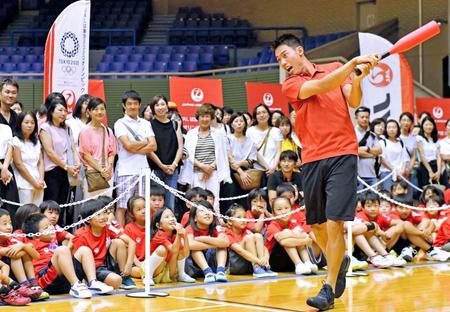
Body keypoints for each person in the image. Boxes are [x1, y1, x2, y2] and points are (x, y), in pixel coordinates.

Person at [274, 33, 379, 309]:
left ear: (300, 51)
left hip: (343, 152)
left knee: (335, 223)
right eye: (278, 60)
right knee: (316, 226)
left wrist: (357, 78)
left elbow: (353, 101)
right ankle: (340, 259)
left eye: (285, 55)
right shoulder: (292, 84)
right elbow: (321, 86)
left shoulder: (335, 67)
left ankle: (328, 289)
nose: (282, 62)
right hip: (310, 158)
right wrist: (353, 64)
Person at [23, 213, 113, 298]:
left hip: (65, 280)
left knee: (84, 250)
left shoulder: (52, 239)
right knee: (62, 249)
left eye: (50, 225)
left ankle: (92, 282)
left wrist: (68, 249)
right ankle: (75, 285)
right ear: (35, 235)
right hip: (46, 283)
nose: (51, 228)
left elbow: (71, 238)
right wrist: (21, 246)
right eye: (46, 227)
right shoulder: (32, 242)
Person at [113, 90, 157, 227]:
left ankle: (141, 236)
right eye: (129, 104)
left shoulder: (146, 123)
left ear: (140, 105)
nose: (132, 106)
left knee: (142, 207)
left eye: (135, 103)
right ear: (124, 105)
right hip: (125, 171)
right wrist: (145, 142)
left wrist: (135, 146)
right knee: (122, 206)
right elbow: (128, 146)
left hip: (143, 171)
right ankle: (120, 236)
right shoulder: (119, 123)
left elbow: (154, 146)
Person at [72, 200, 137, 289]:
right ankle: (92, 282)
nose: (103, 217)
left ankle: (124, 276)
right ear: (88, 220)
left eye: (105, 213)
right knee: (116, 281)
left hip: (105, 264)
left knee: (119, 242)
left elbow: (131, 242)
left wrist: (129, 265)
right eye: (98, 214)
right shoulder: (80, 235)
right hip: (91, 269)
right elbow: (78, 261)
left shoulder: (108, 227)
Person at [180, 104, 231, 213]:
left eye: (207, 116)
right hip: (196, 173)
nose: (205, 119)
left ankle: (215, 224)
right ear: (198, 118)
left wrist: (210, 168)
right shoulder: (191, 133)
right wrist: (202, 167)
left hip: (213, 172)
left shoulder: (218, 134)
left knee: (214, 201)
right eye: (202, 116)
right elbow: (187, 154)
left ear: (211, 118)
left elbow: (221, 154)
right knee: (197, 201)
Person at [39, 99, 80, 205]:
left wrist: (77, 163)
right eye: (60, 110)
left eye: (65, 111)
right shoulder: (45, 128)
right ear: (51, 112)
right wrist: (66, 167)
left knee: (63, 204)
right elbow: (50, 152)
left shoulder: (67, 128)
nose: (63, 113)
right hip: (52, 172)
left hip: (67, 170)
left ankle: (60, 222)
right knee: (52, 203)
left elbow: (72, 148)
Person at [148, 95, 183, 210]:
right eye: (157, 105)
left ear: (167, 107)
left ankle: (168, 227)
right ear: (153, 108)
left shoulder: (175, 124)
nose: (160, 107)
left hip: (172, 170)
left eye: (162, 104)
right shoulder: (149, 125)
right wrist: (162, 166)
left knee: (170, 203)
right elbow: (149, 150)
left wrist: (174, 165)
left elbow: (180, 147)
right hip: (156, 169)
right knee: (155, 204)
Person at [265, 197, 316, 274]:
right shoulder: (272, 226)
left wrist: (301, 238)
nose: (283, 212)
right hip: (275, 262)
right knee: (287, 233)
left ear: (291, 210)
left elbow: (306, 236)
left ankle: (307, 263)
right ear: (273, 212)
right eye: (279, 209)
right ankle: (298, 264)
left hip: (290, 262)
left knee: (291, 234)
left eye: (286, 208)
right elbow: (283, 242)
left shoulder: (293, 222)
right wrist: (304, 240)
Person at [78, 97, 117, 199]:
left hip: (108, 175)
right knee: (92, 207)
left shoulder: (108, 131)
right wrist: (101, 170)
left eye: (102, 109)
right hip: (93, 175)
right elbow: (86, 155)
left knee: (107, 206)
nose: (99, 112)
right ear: (89, 112)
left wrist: (109, 166)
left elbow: (112, 152)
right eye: (95, 109)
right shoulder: (85, 131)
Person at [224, 203, 276, 277]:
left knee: (258, 235)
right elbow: (240, 251)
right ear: (230, 221)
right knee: (249, 238)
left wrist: (265, 259)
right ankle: (257, 267)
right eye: (239, 217)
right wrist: (258, 261)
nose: (243, 220)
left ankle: (262, 267)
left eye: (245, 217)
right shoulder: (228, 234)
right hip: (236, 266)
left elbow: (264, 248)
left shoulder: (247, 231)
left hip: (250, 264)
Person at [147, 207, 195, 285]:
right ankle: (148, 276)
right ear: (159, 225)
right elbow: (173, 249)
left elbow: (185, 254)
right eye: (167, 217)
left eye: (173, 216)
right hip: (155, 269)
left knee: (180, 251)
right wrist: (179, 235)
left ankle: (181, 274)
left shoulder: (174, 235)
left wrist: (185, 236)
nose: (172, 219)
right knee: (162, 249)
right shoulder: (159, 234)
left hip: (167, 269)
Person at [185, 200, 229, 283]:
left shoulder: (216, 228)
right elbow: (190, 244)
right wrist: (214, 244)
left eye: (209, 210)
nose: (207, 213)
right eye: (202, 211)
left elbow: (226, 242)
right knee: (196, 249)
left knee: (222, 247)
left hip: (213, 263)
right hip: (195, 267)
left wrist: (203, 238)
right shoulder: (190, 228)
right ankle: (208, 273)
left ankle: (220, 271)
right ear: (194, 218)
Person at [11, 112, 45, 205]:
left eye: (32, 123)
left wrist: (41, 179)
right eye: (26, 122)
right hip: (23, 184)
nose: (30, 125)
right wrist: (34, 183)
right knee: (25, 214)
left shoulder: (36, 142)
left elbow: (40, 162)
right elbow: (19, 164)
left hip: (39, 183)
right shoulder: (15, 141)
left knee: (37, 214)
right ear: (20, 123)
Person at [246, 104, 283, 186]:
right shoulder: (250, 131)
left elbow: (278, 151)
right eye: (258, 113)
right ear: (255, 116)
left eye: (264, 112)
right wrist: (268, 167)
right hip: (258, 171)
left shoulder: (276, 131)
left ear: (269, 115)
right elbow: (254, 152)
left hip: (275, 170)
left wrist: (274, 167)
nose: (261, 115)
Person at [227, 112, 257, 205]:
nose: (239, 123)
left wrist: (240, 165)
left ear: (245, 124)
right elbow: (229, 158)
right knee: (231, 198)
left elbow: (251, 160)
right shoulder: (227, 138)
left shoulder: (251, 141)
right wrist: (241, 172)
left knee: (246, 200)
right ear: (231, 124)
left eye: (241, 121)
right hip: (230, 173)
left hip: (246, 173)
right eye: (236, 121)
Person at [354, 107, 382, 190]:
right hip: (358, 175)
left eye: (367, 117)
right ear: (356, 118)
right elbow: (355, 151)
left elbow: (379, 150)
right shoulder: (352, 133)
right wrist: (372, 155)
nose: (365, 119)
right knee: (359, 201)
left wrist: (367, 148)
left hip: (372, 174)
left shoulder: (372, 135)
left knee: (374, 201)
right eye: (362, 117)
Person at [416, 116, 448, 188]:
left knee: (439, 190)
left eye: (430, 124)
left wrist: (439, 171)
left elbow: (438, 156)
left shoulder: (435, 139)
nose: (428, 127)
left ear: (433, 126)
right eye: (426, 125)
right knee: (427, 189)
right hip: (425, 167)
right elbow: (422, 155)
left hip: (436, 165)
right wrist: (430, 171)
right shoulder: (419, 138)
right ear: (422, 126)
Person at [379, 119, 408, 192]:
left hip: (400, 174)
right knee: (388, 195)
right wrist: (394, 170)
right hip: (387, 173)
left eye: (394, 127)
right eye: (389, 127)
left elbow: (404, 158)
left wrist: (402, 170)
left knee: (400, 196)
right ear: (386, 129)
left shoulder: (401, 142)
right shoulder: (382, 142)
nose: (391, 129)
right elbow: (382, 159)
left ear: (398, 129)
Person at [0, 122, 19, 216]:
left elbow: (10, 147)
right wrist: (3, 169)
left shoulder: (6, 128)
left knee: (11, 202)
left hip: (6, 167)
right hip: (4, 169)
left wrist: (5, 168)